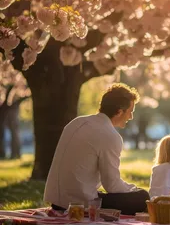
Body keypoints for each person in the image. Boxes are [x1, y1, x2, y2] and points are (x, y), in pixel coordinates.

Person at [44, 83, 150, 215]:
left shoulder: (76, 122)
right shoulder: (110, 136)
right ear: (119, 111)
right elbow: (112, 185)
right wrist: (134, 189)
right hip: (80, 204)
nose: (131, 117)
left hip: (58, 201)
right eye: (130, 112)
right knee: (143, 197)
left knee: (134, 193)